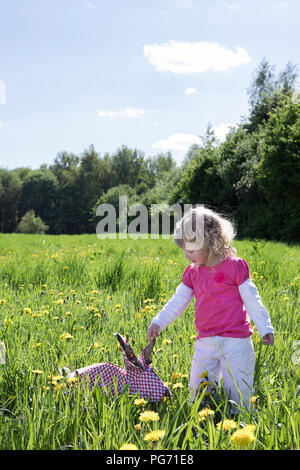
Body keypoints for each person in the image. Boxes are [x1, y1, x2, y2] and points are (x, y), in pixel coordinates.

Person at [147, 206, 274, 412]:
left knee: (239, 387)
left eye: (190, 250)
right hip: (205, 339)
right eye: (184, 251)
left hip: (236, 341)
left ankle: (239, 420)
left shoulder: (235, 266)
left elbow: (252, 300)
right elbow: (178, 300)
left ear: (208, 242)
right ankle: (201, 416)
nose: (187, 255)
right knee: (198, 386)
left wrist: (265, 328)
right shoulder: (193, 272)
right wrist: (158, 321)